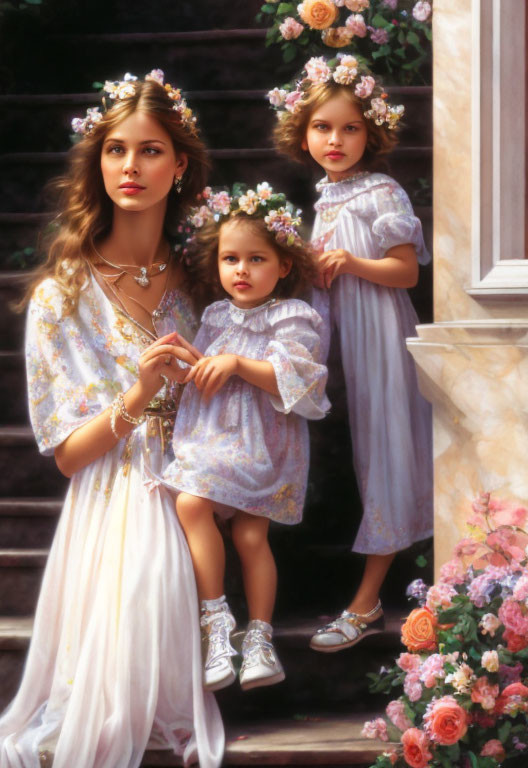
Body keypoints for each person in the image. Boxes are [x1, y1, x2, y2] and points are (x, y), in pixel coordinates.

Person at [0, 70, 224, 768]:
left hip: (211, 478)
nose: (130, 167)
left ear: (179, 165)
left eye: (149, 151)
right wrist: (139, 395)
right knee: (147, 540)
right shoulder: (63, 295)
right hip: (115, 491)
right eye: (116, 150)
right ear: (98, 161)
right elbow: (68, 455)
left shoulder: (211, 277)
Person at [269, 55, 433, 651]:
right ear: (303, 133)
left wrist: (350, 263)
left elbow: (406, 272)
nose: (334, 140)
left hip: (381, 335)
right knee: (363, 451)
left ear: (371, 133)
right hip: (343, 335)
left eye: (349, 128)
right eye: (322, 128)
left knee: (386, 448)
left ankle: (366, 606)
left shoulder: (380, 190)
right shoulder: (327, 195)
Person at [161, 184, 329, 691]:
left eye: (257, 259)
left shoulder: (293, 316)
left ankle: (259, 638)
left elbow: (296, 379)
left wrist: (236, 362)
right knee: (192, 506)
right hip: (215, 436)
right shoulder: (214, 317)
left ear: (282, 266)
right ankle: (218, 626)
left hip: (264, 443)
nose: (241, 270)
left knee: (251, 534)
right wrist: (187, 361)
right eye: (230, 258)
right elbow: (207, 374)